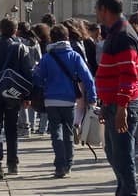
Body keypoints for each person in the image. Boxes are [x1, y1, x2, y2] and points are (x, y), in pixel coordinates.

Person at [94, 0, 138, 196]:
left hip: (123, 103)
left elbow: (128, 75)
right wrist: (106, 104)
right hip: (114, 102)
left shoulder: (123, 35)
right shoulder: (117, 33)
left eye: (98, 10)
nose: (97, 15)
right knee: (113, 152)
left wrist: (122, 107)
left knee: (123, 155)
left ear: (104, 9)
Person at [33, 24, 97, 178]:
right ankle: (68, 163)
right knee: (68, 131)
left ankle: (59, 164)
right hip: (69, 100)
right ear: (67, 37)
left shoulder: (47, 57)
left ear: (52, 39)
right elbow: (88, 78)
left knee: (55, 133)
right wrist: (92, 97)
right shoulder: (74, 56)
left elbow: (37, 78)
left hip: (51, 100)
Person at [0, 18, 34, 179]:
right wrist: (28, 95)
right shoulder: (21, 48)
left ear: (0, 30)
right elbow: (27, 73)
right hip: (13, 94)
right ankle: (12, 163)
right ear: (15, 31)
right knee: (11, 128)